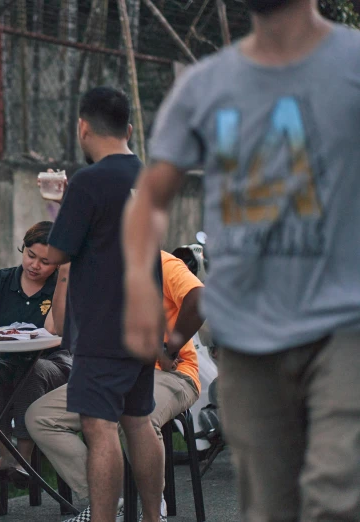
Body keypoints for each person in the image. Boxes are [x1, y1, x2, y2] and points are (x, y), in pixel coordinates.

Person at [121, 0, 360, 518]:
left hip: (344, 327)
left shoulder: (351, 64)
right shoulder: (206, 85)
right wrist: (142, 296)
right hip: (248, 340)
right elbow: (150, 199)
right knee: (271, 507)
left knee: (334, 496)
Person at [46, 86, 164, 522]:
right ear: (129, 129)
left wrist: (56, 204)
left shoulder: (89, 181)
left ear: (83, 127)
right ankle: (154, 517)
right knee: (139, 421)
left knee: (99, 427)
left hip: (104, 323)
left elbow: (56, 252)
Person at [27, 250, 204, 522]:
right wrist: (65, 270)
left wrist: (171, 347)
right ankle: (110, 501)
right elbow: (59, 326)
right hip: (110, 372)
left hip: (170, 372)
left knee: (132, 415)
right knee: (40, 416)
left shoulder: (159, 261)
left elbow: (199, 298)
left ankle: (155, 511)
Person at [0, 221, 72, 481]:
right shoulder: (1, 280)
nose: (35, 265)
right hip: (7, 360)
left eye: (45, 261)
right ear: (23, 249)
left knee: (31, 372)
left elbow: (57, 330)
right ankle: (6, 454)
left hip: (54, 364)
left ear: (58, 263)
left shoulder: (63, 285)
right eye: (30, 255)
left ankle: (24, 460)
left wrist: (63, 281)